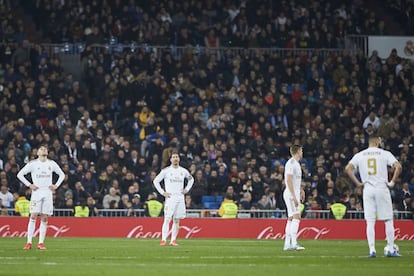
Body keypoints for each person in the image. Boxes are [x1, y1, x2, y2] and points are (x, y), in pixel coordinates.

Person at [345, 135, 402, 258]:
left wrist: (358, 183)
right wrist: (392, 181)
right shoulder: (384, 153)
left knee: (370, 221)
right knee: (388, 220)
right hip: (382, 188)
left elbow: (348, 169)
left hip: (368, 189)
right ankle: (391, 248)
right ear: (377, 142)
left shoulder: (360, 155)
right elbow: (398, 166)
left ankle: (372, 250)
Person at [17, 144, 65, 250]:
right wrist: (29, 185)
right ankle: (29, 242)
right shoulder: (33, 164)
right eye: (41, 149)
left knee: (45, 217)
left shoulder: (51, 164)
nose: (43, 150)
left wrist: (56, 185)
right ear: (37, 152)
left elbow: (62, 174)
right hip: (37, 192)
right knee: (33, 215)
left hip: (48, 192)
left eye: (45, 149)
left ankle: (41, 243)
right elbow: (20, 174)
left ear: (47, 152)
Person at [153, 150, 194, 246]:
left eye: (177, 157)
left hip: (180, 198)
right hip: (170, 198)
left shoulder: (183, 171)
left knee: (177, 220)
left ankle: (173, 240)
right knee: (167, 218)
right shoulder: (166, 171)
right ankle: (163, 240)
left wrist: (187, 189)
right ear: (171, 160)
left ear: (179, 159)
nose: (175, 159)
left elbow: (191, 180)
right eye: (174, 157)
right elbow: (156, 181)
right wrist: (163, 192)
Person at [283, 144, 305, 251]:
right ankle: (294, 243)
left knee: (291, 218)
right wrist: (294, 196)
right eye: (301, 150)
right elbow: (289, 180)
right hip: (291, 194)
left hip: (294, 192)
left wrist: (300, 190)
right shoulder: (291, 163)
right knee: (297, 217)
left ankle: (287, 244)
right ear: (298, 151)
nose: (302, 152)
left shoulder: (296, 163)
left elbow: (295, 181)